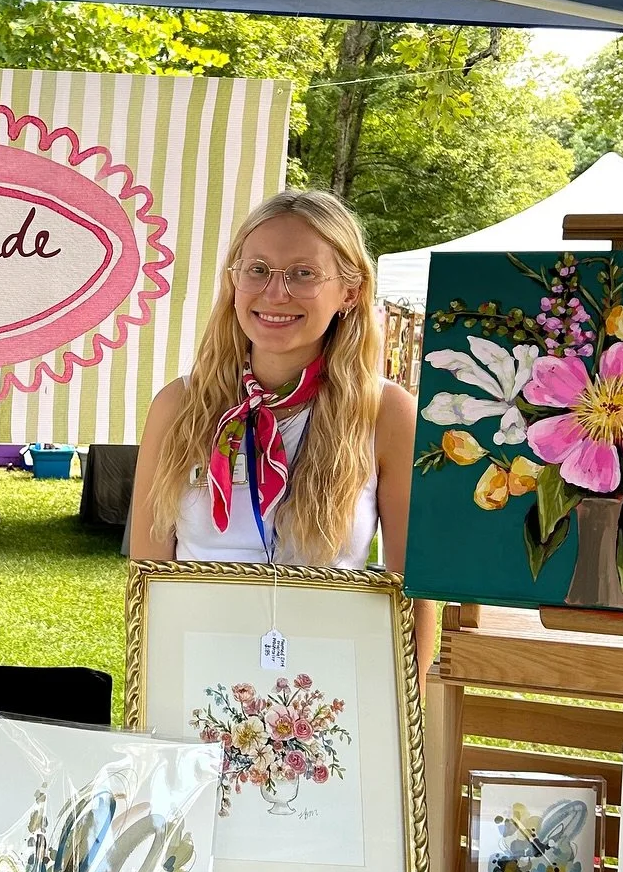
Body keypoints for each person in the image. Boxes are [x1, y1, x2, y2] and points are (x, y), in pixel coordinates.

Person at [130, 188, 433, 660]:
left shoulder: (386, 413)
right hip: (198, 678)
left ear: (349, 292)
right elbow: (148, 576)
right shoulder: (178, 406)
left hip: (327, 688)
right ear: (234, 282)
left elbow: (413, 589)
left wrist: (408, 717)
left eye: (303, 274)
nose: (276, 292)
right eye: (258, 270)